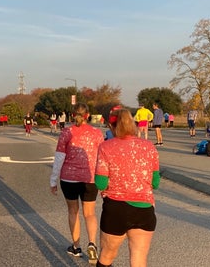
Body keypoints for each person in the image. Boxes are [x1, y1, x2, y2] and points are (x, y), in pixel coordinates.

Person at [95, 107, 160, 267]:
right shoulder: (149, 146)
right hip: (144, 209)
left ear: (112, 126)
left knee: (107, 255)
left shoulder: (106, 147)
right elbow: (155, 183)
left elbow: (101, 183)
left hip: (116, 208)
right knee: (139, 259)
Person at [49, 103, 104, 263]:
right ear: (87, 115)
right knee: (90, 213)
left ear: (73, 115)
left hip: (69, 178)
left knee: (73, 211)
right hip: (90, 178)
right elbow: (102, 157)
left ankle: (76, 246)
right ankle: (92, 244)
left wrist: (53, 180)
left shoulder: (67, 132)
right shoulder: (96, 133)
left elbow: (59, 157)